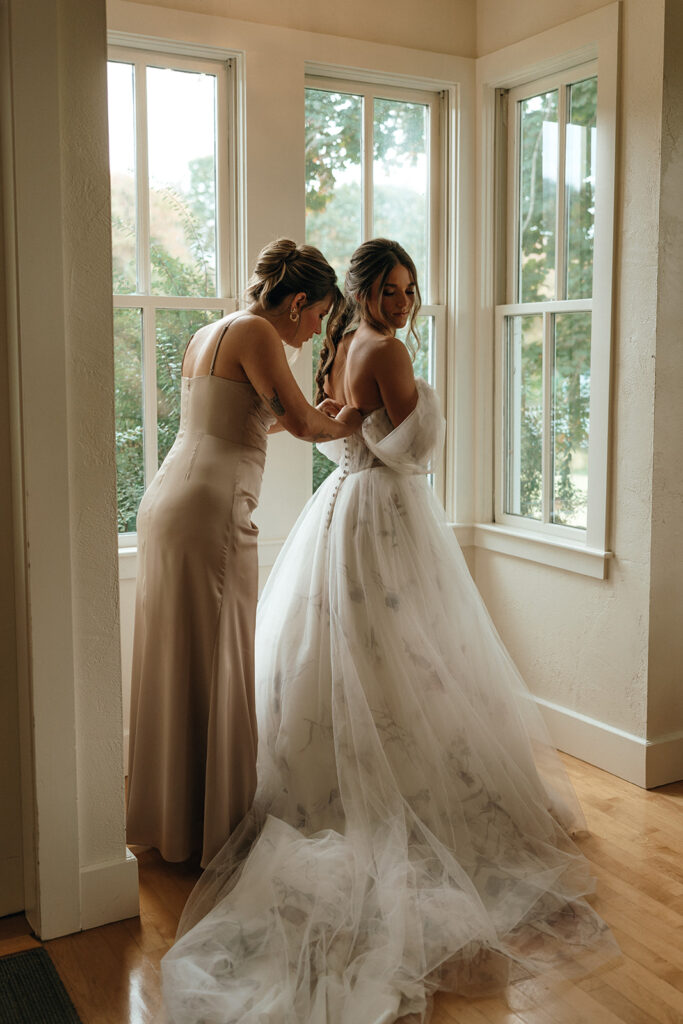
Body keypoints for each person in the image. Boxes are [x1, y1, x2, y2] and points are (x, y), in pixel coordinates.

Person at [161, 239, 617, 1023]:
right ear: (363, 292)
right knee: (410, 649)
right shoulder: (385, 352)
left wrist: (343, 416)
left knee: (348, 647)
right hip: (383, 508)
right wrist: (422, 399)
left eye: (410, 291)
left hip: (337, 503)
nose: (403, 303)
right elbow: (415, 447)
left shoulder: (336, 345)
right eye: (392, 290)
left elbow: (311, 420)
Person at [126, 239, 362, 870]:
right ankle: (215, 830)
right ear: (299, 301)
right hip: (213, 513)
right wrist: (352, 418)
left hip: (170, 500)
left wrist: (317, 414)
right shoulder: (259, 332)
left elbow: (247, 416)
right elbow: (305, 425)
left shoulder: (215, 330)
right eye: (316, 317)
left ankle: (170, 820)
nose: (314, 331)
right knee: (217, 658)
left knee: (176, 657)